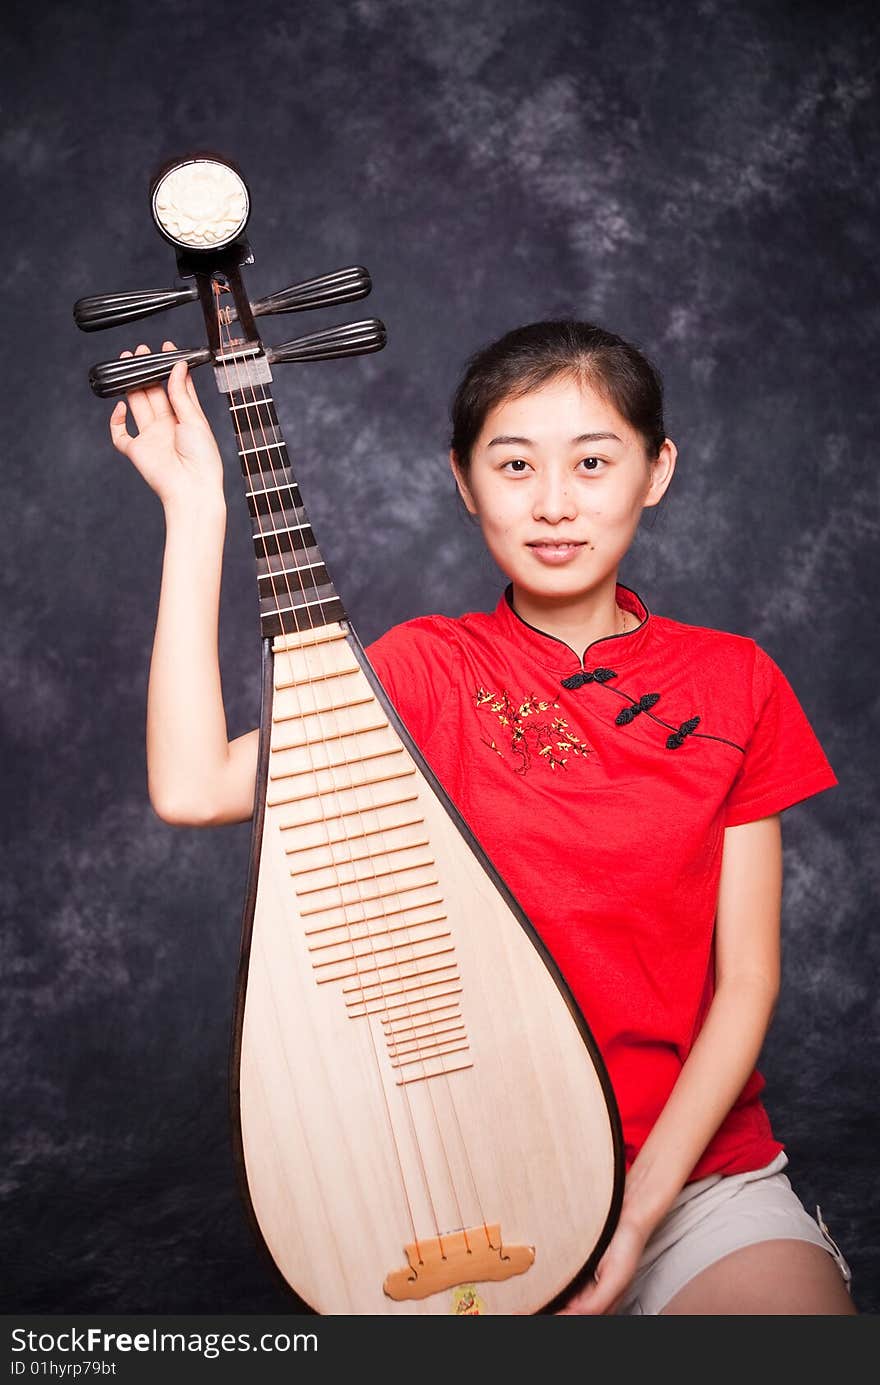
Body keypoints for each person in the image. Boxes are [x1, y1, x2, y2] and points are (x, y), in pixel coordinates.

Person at [108, 321, 857, 1316]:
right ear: (464, 481)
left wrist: (637, 1212)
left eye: (593, 461)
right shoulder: (430, 669)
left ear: (655, 469)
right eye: (513, 464)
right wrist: (196, 509)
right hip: (469, 1186)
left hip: (688, 1185)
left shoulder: (735, 681)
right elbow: (193, 784)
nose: (553, 502)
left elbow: (747, 977)